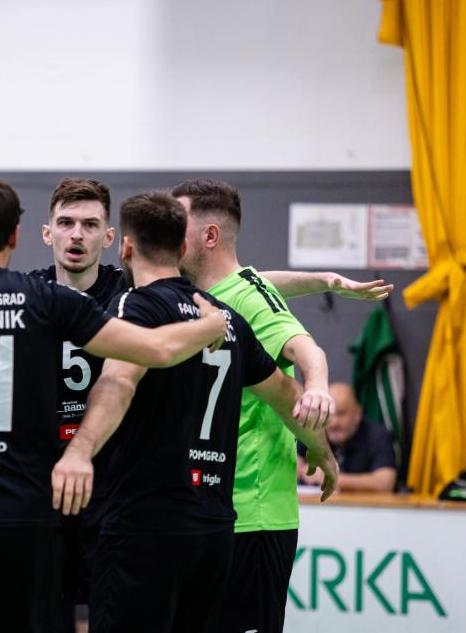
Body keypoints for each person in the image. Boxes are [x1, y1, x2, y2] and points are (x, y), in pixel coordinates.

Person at [0, 173, 228, 633]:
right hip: (24, 518)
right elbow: (155, 349)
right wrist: (208, 326)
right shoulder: (46, 299)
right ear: (16, 237)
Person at [51, 190, 337, 633]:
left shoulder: (135, 306)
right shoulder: (225, 318)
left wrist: (80, 450)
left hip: (146, 524)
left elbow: (119, 382)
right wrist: (322, 449)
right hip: (214, 528)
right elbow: (286, 393)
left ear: (125, 247)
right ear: (183, 246)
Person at [171, 178, 340, 633]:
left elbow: (304, 347)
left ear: (209, 235)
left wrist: (318, 388)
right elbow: (261, 281)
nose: (167, 232)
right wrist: (322, 280)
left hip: (254, 516)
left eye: (178, 224)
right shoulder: (203, 294)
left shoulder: (249, 297)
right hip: (206, 511)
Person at [30, 177, 126, 631]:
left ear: (109, 237)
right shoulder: (24, 294)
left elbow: (221, 285)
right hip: (40, 482)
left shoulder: (130, 294)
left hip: (110, 482)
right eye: (66, 223)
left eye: (90, 225)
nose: (76, 235)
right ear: (47, 232)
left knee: (110, 613)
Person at [298, 381, 397, 492]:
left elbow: (385, 483)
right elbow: (295, 463)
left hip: (361, 503)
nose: (334, 423)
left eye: (341, 413)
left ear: (357, 414)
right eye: (329, 414)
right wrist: (300, 469)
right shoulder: (312, 431)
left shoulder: (378, 436)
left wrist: (332, 479)